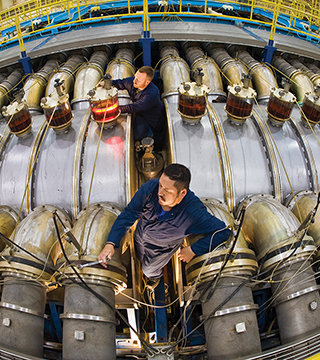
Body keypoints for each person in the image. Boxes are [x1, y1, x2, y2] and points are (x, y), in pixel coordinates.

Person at [98, 163, 231, 289]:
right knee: (139, 256)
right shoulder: (150, 188)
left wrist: (194, 250)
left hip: (161, 249)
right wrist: (111, 243)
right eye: (161, 185)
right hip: (140, 234)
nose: (160, 192)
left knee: (148, 269)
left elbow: (223, 232)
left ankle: (155, 277)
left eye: (167, 190)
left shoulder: (193, 213)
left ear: (182, 193)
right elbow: (129, 214)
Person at [112, 66, 165, 151]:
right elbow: (119, 83)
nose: (134, 81)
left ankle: (158, 150)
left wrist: (114, 109)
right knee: (138, 135)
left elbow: (134, 107)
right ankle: (140, 151)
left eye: (138, 80)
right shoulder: (133, 82)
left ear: (147, 82)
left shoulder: (152, 94)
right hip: (141, 114)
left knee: (158, 135)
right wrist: (108, 83)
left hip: (154, 116)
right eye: (135, 77)